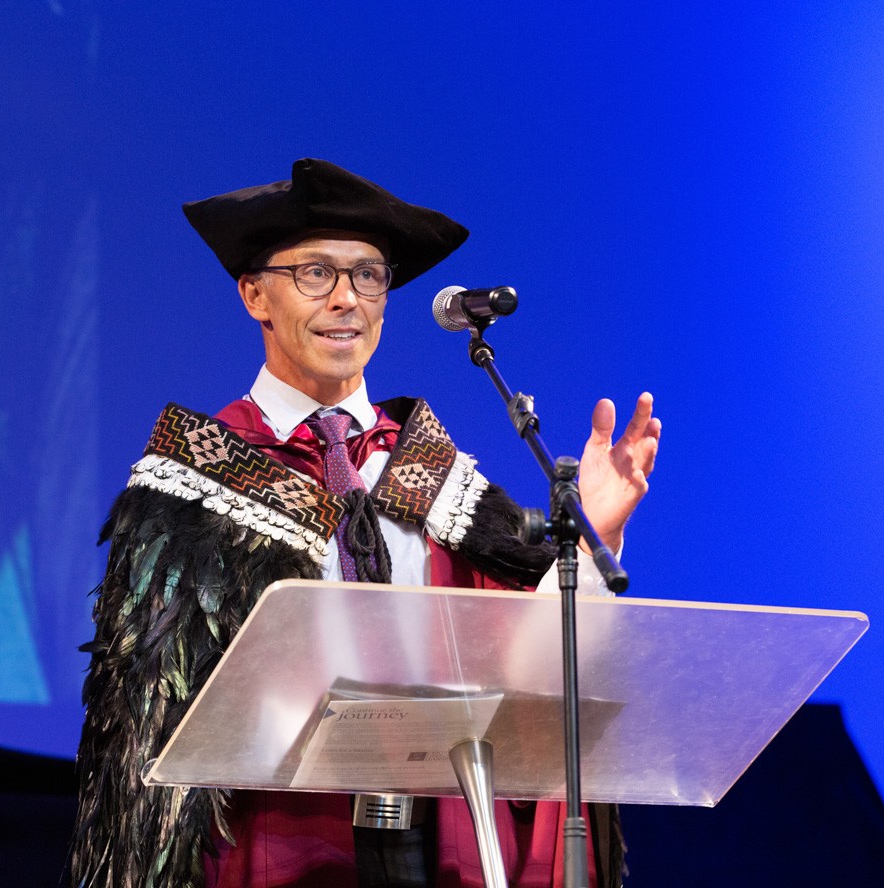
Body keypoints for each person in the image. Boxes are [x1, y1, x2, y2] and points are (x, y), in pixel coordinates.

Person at [69, 158, 660, 888]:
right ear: (255, 293)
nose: (346, 298)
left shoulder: (434, 472)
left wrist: (595, 535)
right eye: (316, 273)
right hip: (283, 848)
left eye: (368, 275)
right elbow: (146, 736)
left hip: (445, 844)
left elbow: (523, 672)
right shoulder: (193, 482)